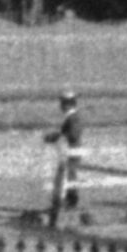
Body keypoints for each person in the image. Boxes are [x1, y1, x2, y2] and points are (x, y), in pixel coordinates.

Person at [43, 91, 84, 226]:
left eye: (62, 103)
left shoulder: (73, 118)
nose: (60, 106)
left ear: (68, 104)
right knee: (67, 176)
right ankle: (65, 201)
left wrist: (57, 136)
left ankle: (69, 202)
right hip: (68, 152)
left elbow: (73, 135)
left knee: (68, 176)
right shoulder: (71, 117)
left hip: (72, 152)